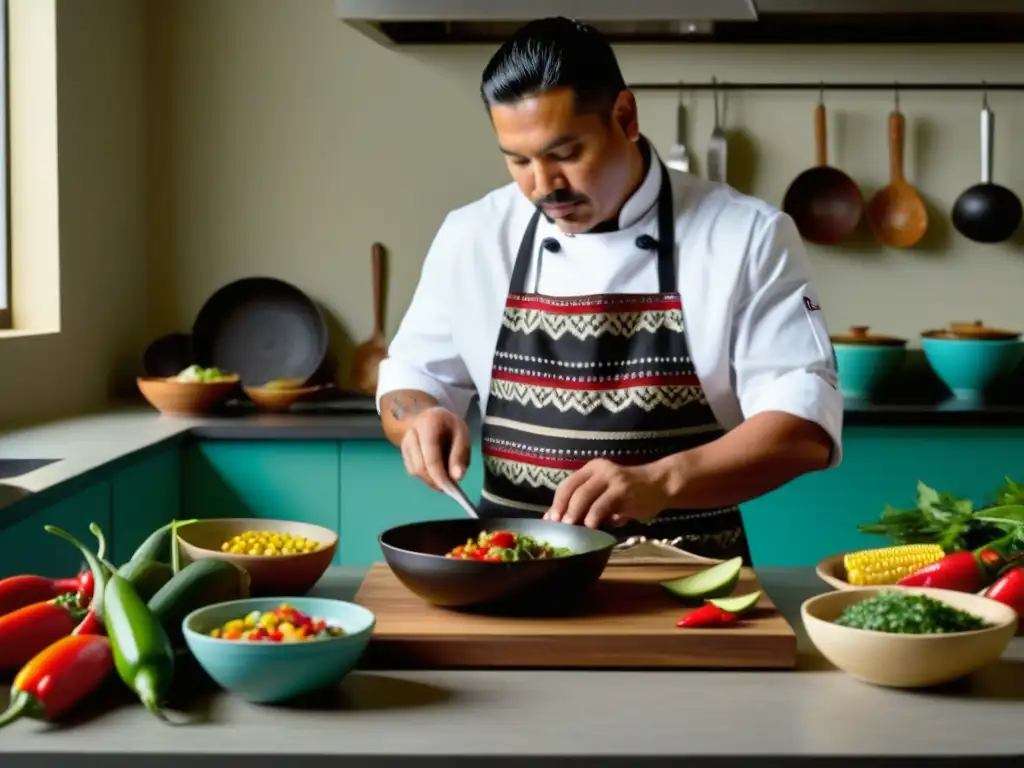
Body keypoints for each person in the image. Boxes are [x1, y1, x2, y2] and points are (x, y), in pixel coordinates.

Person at [374, 17, 843, 564]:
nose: (543, 186)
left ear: (625, 117)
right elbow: (414, 379)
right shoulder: (472, 235)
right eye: (518, 160)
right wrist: (421, 418)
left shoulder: (747, 235)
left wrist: (660, 481)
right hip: (510, 578)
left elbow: (803, 427)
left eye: (566, 154)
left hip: (686, 584)